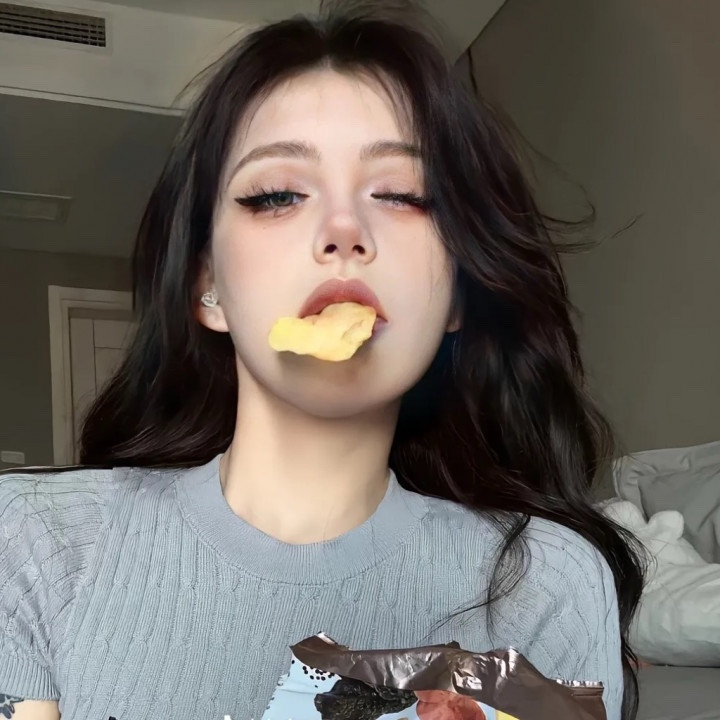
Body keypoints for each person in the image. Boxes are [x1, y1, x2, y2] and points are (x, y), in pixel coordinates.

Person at [0, 2, 644, 719]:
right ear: (208, 288)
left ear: (458, 296)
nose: (343, 229)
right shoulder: (31, 540)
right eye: (276, 195)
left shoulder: (545, 583)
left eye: (402, 195)